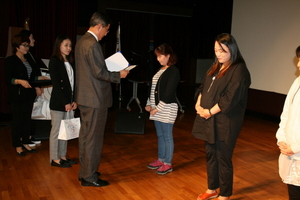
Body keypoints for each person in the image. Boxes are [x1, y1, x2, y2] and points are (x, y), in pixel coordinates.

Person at [191, 33, 251, 200]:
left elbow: (230, 98)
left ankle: (224, 194)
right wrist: (198, 105)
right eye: (216, 50)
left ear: (232, 49)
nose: (218, 54)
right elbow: (203, 88)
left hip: (226, 122)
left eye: (222, 50)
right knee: (210, 155)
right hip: (208, 119)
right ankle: (211, 189)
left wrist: (209, 111)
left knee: (223, 157)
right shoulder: (215, 67)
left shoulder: (239, 70)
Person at [75, 12, 129, 187]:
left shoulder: (81, 41)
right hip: (95, 99)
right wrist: (119, 74)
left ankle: (85, 171)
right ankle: (89, 177)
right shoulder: (92, 45)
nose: (106, 34)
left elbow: (92, 70)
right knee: (93, 139)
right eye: (106, 30)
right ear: (99, 26)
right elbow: (99, 73)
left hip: (85, 97)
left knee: (85, 136)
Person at [4, 34, 48, 156]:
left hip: (28, 94)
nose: (27, 48)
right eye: (24, 45)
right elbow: (9, 78)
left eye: (27, 45)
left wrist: (40, 78)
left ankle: (25, 142)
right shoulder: (10, 60)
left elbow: (30, 77)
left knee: (26, 120)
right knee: (17, 121)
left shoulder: (27, 60)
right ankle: (18, 145)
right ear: (17, 46)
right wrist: (19, 81)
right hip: (17, 95)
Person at [145, 43, 180, 175]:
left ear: (168, 56)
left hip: (167, 108)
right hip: (157, 109)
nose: (158, 59)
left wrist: (157, 108)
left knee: (167, 136)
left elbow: (168, 92)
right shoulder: (160, 70)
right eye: (157, 56)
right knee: (160, 135)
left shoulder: (173, 71)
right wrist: (149, 104)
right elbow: (153, 89)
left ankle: (168, 163)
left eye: (161, 56)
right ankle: (161, 159)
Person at [48, 35, 77, 168]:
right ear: (59, 45)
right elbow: (57, 85)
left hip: (69, 102)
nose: (69, 48)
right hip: (59, 102)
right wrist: (65, 102)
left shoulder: (70, 61)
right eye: (66, 45)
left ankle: (63, 156)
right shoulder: (54, 61)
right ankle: (54, 158)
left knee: (65, 130)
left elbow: (73, 83)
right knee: (56, 131)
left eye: (70, 45)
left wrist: (74, 100)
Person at [276, 46, 300, 200]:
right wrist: (282, 139)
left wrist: (296, 147)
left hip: (297, 150)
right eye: (299, 60)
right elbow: (286, 113)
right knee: (293, 192)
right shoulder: (297, 81)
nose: (298, 65)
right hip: (290, 152)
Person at [19, 29, 42, 146]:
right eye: (31, 38)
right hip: (24, 90)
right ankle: (24, 138)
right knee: (25, 115)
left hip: (30, 88)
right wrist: (37, 86)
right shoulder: (24, 55)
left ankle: (29, 136)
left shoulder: (31, 54)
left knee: (30, 114)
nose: (33, 40)